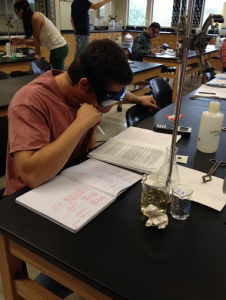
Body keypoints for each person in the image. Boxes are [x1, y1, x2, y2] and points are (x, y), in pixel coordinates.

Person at [4, 38, 157, 299]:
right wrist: (79, 124)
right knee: (107, 250)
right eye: (107, 97)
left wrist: (137, 99)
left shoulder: (88, 88)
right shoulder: (30, 101)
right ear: (85, 85)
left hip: (72, 180)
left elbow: (117, 92)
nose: (110, 102)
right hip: (30, 201)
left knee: (132, 227)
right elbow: (31, 175)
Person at [12, 0, 69, 70]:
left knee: (56, 74)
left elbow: (36, 38)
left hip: (58, 48)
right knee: (56, 73)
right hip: (59, 48)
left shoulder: (35, 17)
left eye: (15, 11)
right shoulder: (33, 18)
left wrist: (38, 54)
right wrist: (22, 41)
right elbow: (37, 42)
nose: (15, 13)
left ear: (21, 11)